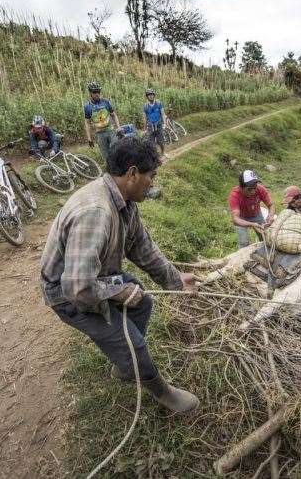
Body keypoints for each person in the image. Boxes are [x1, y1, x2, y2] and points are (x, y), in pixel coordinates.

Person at [39, 136, 200, 414]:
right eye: (152, 176)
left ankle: (124, 365)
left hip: (96, 279)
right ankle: (162, 392)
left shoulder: (123, 201)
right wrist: (117, 291)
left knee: (143, 302)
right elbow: (77, 288)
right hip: (67, 294)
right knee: (133, 344)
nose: (153, 183)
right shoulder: (96, 212)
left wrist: (175, 279)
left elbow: (142, 248)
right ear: (133, 173)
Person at [228, 170, 275, 249]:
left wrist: (270, 216)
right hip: (241, 218)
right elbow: (235, 219)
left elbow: (271, 204)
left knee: (264, 236)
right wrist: (252, 224)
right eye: (249, 189)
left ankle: (266, 255)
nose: (253, 191)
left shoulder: (260, 189)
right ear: (241, 187)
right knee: (243, 243)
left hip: (256, 214)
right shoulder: (234, 195)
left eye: (254, 188)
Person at [83, 81, 121, 164]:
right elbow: (87, 123)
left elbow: (114, 115)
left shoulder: (105, 102)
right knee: (105, 155)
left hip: (110, 130)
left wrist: (118, 128)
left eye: (98, 92)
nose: (97, 94)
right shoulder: (87, 107)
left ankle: (119, 167)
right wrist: (89, 138)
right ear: (90, 93)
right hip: (99, 133)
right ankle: (110, 171)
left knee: (116, 149)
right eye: (94, 92)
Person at [142, 88, 167, 155]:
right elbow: (144, 118)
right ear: (147, 97)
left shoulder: (158, 103)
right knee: (151, 143)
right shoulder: (145, 106)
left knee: (160, 141)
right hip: (150, 126)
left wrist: (164, 123)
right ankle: (154, 156)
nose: (150, 96)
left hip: (158, 124)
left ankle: (163, 152)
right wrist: (144, 129)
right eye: (149, 95)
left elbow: (163, 114)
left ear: (154, 95)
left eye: (152, 94)